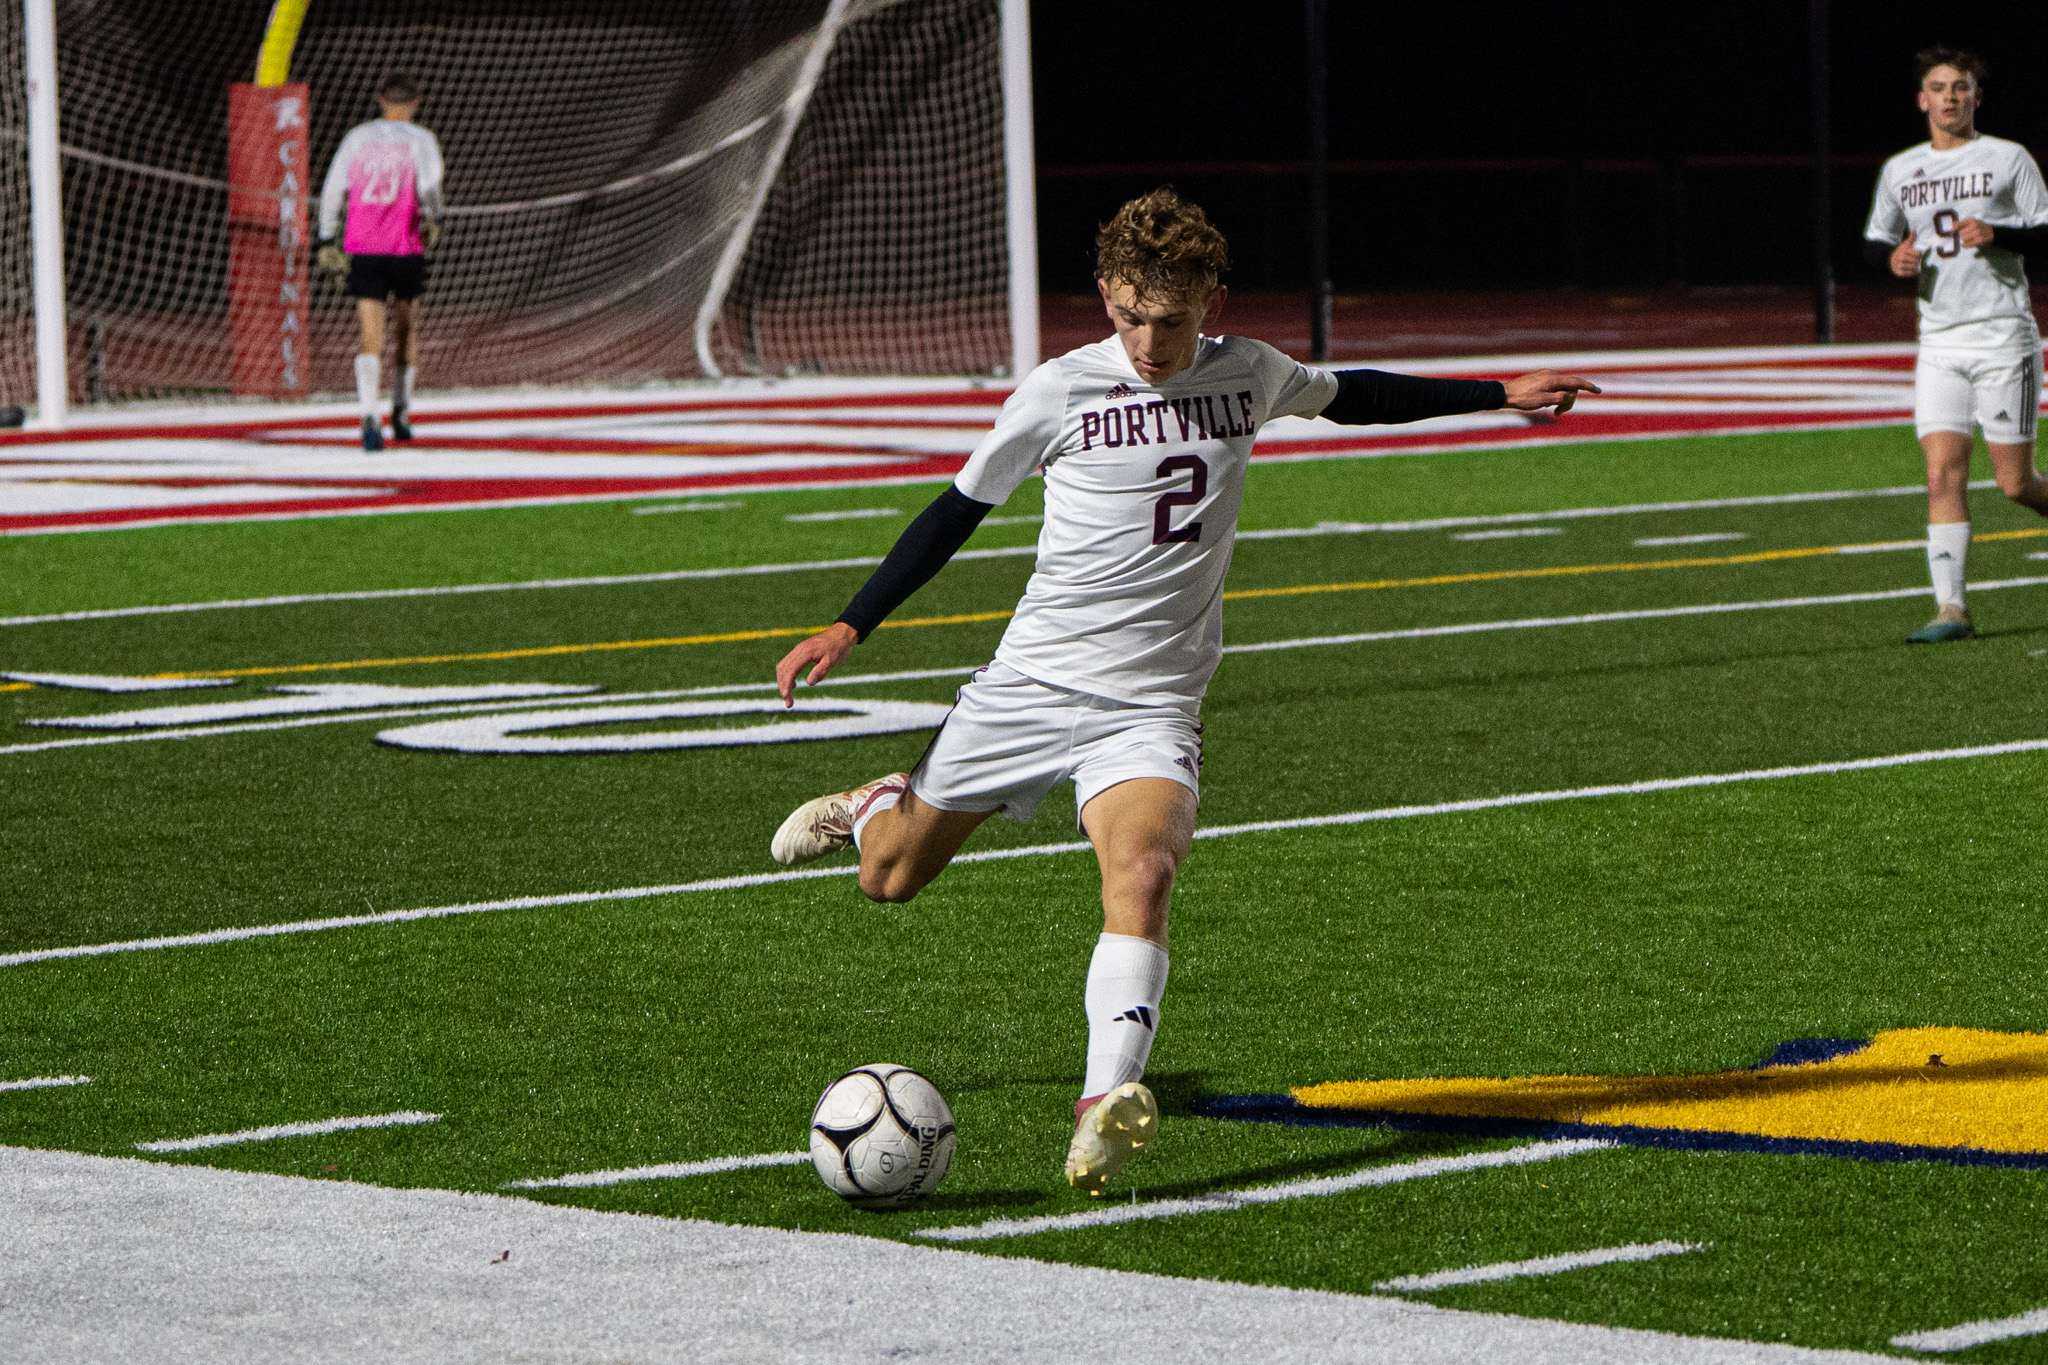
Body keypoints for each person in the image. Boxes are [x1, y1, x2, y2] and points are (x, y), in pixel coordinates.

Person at [765, 188, 1600, 1196]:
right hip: (1028, 687)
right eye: (1129, 318)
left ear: (1210, 299)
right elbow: (954, 510)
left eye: (1171, 320)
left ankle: (1101, 1105)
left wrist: (1495, 390)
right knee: (887, 880)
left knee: (1145, 872)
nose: (1150, 341)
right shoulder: (1054, 393)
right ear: (1104, 295)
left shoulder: (1247, 373)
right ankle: (873, 809)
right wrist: (852, 622)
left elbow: (1355, 393)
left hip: (1147, 705)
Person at [1864, 46, 2048, 643]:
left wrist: (2002, 234)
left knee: (2016, 486)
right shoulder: (1901, 169)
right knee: (1942, 476)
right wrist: (1891, 256)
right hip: (1939, 341)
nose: (1949, 96)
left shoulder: (2007, 158)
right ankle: (1951, 610)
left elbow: (2045, 234)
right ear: (1923, 100)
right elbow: (1876, 241)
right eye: (1938, 87)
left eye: (1960, 87)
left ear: (1975, 97)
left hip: (2001, 335)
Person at [316, 71, 444, 452]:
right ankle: (401, 412)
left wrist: (326, 237)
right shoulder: (421, 139)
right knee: (407, 330)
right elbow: (430, 187)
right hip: (405, 246)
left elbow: (333, 189)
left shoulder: (357, 138)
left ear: (380, 101)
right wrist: (435, 217)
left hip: (365, 247)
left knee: (371, 335)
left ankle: (369, 415)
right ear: (416, 104)